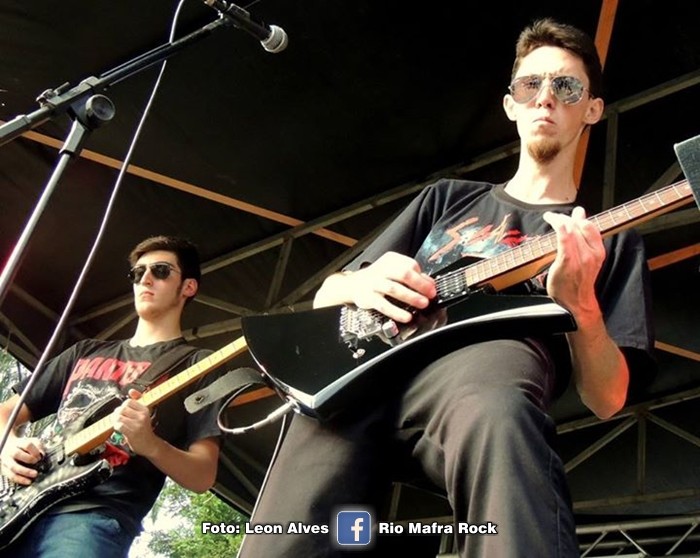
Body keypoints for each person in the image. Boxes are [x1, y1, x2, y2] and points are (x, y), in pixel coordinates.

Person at [237, 18, 655, 558]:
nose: (546, 97)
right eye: (531, 84)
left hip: (484, 371)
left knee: (497, 411)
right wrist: (363, 281)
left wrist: (582, 309)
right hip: (372, 364)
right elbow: (326, 295)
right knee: (289, 522)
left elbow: (607, 398)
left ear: (592, 109)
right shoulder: (448, 198)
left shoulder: (608, 239)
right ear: (510, 104)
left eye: (567, 86)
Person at [0, 235, 223, 557]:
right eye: (138, 273)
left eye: (161, 271)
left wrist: (151, 445)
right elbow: (5, 413)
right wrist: (8, 446)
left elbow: (203, 475)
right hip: (17, 505)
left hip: (92, 518)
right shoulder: (84, 351)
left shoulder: (198, 364)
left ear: (188, 287)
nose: (145, 279)